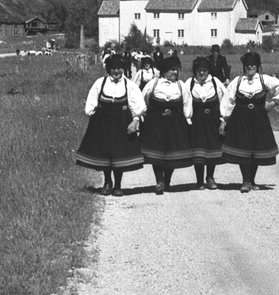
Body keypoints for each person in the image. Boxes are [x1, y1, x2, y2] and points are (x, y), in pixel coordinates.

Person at [74, 54, 147, 196]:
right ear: (108, 69)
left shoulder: (129, 85)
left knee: (119, 154)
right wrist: (94, 118)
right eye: (113, 68)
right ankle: (107, 182)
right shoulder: (100, 83)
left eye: (119, 68)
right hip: (103, 123)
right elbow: (91, 103)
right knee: (104, 153)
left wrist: (135, 120)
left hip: (122, 122)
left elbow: (139, 105)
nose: (117, 71)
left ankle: (118, 185)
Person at [220, 51, 279, 193]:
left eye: (253, 65)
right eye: (247, 65)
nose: (250, 67)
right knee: (243, 149)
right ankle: (245, 181)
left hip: (259, 119)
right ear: (244, 66)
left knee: (256, 149)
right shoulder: (237, 81)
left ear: (257, 66)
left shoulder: (264, 80)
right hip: (240, 119)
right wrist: (224, 120)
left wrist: (273, 103)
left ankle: (252, 180)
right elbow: (228, 101)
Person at [140, 54, 194, 194]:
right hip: (156, 123)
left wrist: (187, 121)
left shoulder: (181, 86)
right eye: (172, 70)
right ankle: (159, 181)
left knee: (172, 153)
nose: (175, 72)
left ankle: (167, 180)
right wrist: (143, 117)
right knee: (156, 153)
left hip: (175, 123)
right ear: (164, 71)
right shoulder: (154, 84)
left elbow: (187, 103)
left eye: (176, 69)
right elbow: (143, 100)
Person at [186, 56, 226, 189]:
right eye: (199, 70)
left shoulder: (215, 82)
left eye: (204, 70)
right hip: (196, 122)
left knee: (212, 149)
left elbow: (225, 100)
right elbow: (184, 102)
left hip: (213, 121)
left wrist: (223, 120)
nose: (202, 73)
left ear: (208, 70)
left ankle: (210, 177)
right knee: (198, 151)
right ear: (195, 71)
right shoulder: (190, 83)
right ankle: (199, 180)